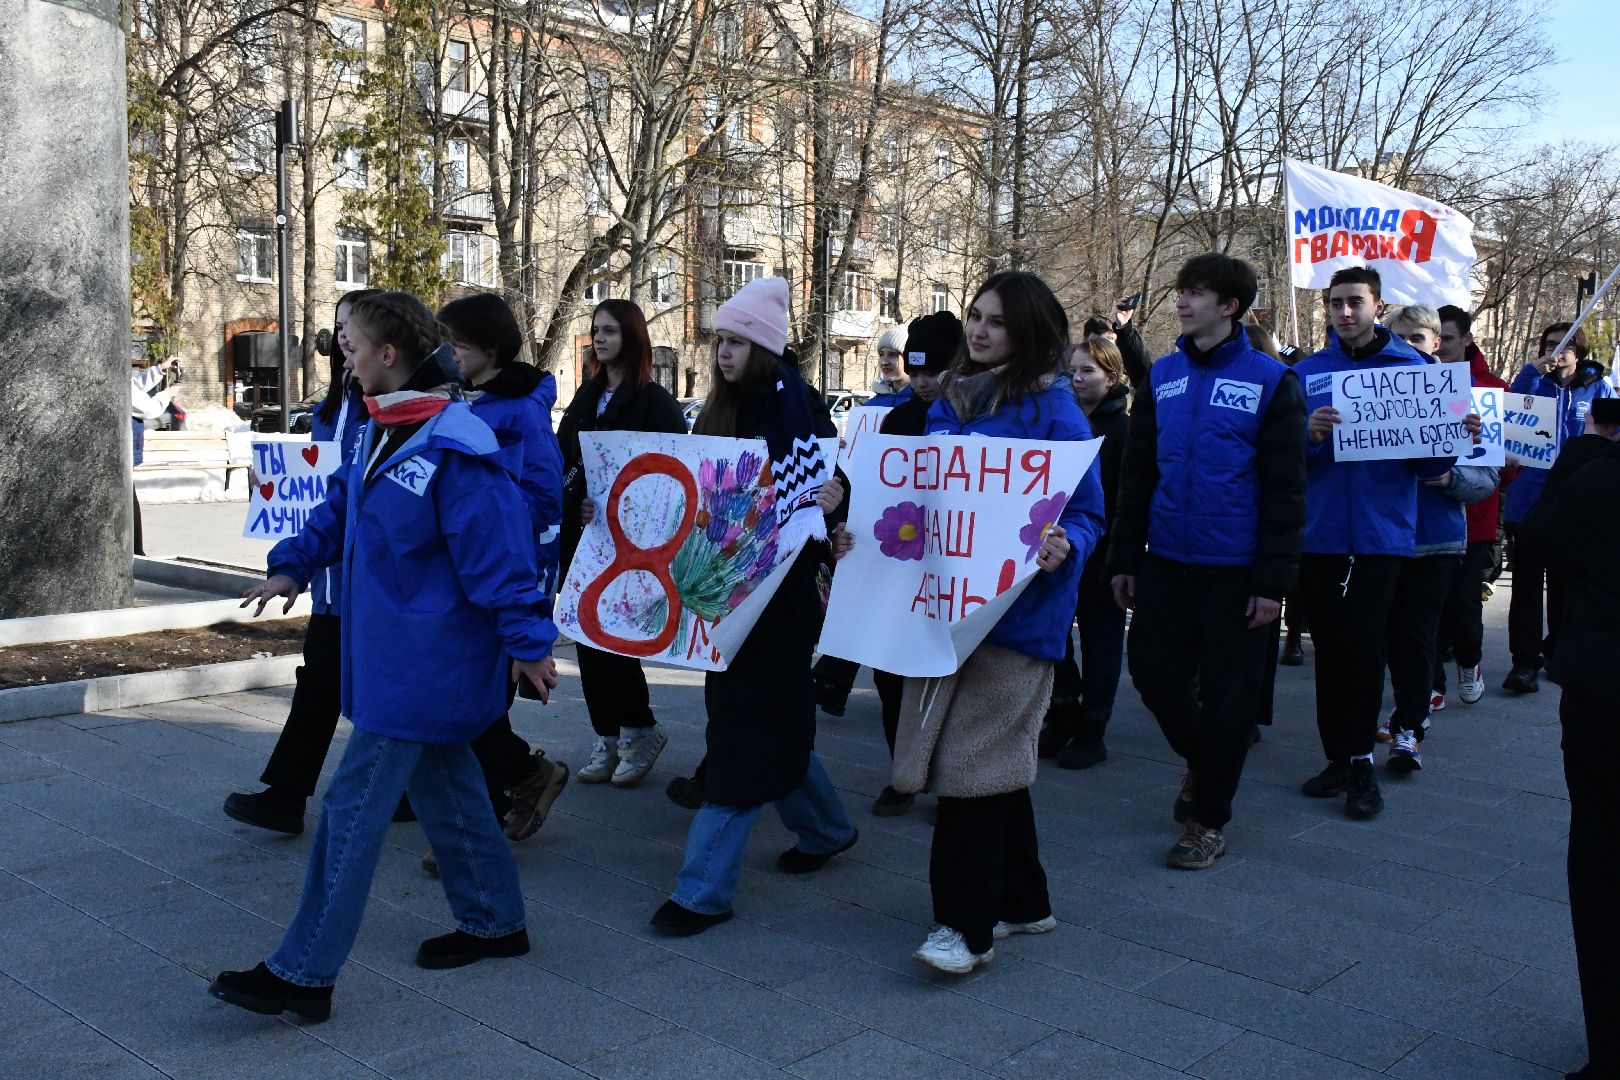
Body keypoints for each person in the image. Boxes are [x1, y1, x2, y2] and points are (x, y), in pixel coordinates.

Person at [208, 290, 559, 1020]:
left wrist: (527, 644)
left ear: (387, 354)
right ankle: (495, 921)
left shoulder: (454, 445)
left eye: (349, 341)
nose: (341, 353)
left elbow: (499, 555)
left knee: (349, 812)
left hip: (428, 665)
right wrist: (293, 563)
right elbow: (340, 506)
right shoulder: (382, 429)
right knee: (449, 789)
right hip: (396, 658)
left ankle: (303, 973)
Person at [843, 270, 1105, 974]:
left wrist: (1066, 544)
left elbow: (1087, 513)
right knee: (990, 764)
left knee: (965, 770)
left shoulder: (1055, 409)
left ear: (1028, 330)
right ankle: (1023, 901)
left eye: (996, 320)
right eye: (976, 317)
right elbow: (916, 502)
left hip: (1018, 624)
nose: (981, 330)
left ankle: (964, 928)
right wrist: (857, 523)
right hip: (945, 617)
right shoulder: (944, 406)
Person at [649, 276, 858, 936]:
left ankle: (702, 891)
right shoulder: (717, 413)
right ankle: (825, 829)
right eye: (720, 340)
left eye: (738, 341)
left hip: (781, 605)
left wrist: (835, 503)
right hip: (727, 597)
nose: (724, 353)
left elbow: (838, 484)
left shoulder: (801, 411)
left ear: (763, 347)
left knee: (744, 732)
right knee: (771, 725)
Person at [1107, 253, 1306, 868]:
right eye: (1180, 291)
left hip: (1238, 571)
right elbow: (1137, 477)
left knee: (1229, 700)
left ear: (1230, 306)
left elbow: (1286, 490)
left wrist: (1273, 582)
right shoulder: (1161, 376)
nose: (1182, 302)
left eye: (1195, 293)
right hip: (1166, 558)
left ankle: (1207, 819)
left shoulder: (1272, 381)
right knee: (1151, 674)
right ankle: (1206, 761)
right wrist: (1125, 558)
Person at [1290, 267, 1465, 820]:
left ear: (1377, 305)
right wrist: (1309, 438)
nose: (1345, 313)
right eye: (1336, 303)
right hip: (1319, 537)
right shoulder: (1307, 373)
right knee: (1328, 651)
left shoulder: (1411, 368)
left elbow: (1428, 463)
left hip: (1383, 537)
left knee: (1364, 648)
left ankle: (1363, 762)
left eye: (1355, 302)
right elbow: (1283, 460)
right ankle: (1337, 757)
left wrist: (1458, 434)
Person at [223, 289, 376, 835]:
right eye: (338, 328)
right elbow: (335, 496)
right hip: (334, 582)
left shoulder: (398, 412)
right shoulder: (337, 401)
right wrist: (295, 557)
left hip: (379, 587)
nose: (342, 338)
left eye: (352, 329)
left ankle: (515, 769)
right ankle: (286, 796)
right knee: (320, 685)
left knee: (386, 697)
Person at [815, 311, 964, 816]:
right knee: (889, 673)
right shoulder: (897, 421)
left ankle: (946, 779)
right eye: (915, 371)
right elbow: (870, 489)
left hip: (950, 571)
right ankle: (904, 774)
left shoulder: (975, 419)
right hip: (899, 568)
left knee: (944, 678)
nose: (922, 383)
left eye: (932, 373)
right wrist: (839, 508)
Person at [436, 292, 570, 841]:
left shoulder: (520, 410)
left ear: (489, 346)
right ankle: (523, 777)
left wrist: (527, 593)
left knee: (481, 702)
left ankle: (487, 816)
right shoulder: (468, 401)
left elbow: (542, 498)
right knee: (474, 700)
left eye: (457, 343)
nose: (449, 353)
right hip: (471, 574)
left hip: (506, 573)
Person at [1519, 403, 1620, 1080]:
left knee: (1604, 864)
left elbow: (1539, 540)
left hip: (1605, 697)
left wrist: (1582, 456)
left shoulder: (1600, 477)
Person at [556, 299, 687, 787]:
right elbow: (566, 461)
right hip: (587, 538)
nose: (600, 338)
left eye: (609, 330)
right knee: (588, 636)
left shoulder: (654, 401)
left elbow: (673, 470)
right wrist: (579, 502)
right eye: (595, 330)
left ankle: (639, 728)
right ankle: (606, 734)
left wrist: (626, 509)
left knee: (617, 636)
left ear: (632, 336)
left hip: (634, 546)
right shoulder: (586, 398)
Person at [1377, 305, 1498, 773]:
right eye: (1400, 337)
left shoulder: (1466, 398)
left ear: (1438, 343)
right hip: (1379, 538)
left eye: (1420, 338)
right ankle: (1396, 713)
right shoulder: (1372, 394)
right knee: (1385, 636)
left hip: (1436, 541)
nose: (1410, 346)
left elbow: (1485, 481)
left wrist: (1449, 479)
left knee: (1419, 636)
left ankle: (1410, 727)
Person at [1500, 321, 1613, 694]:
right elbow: (1511, 415)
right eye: (1549, 344)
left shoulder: (1597, 387)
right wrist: (1531, 372)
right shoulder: (1536, 382)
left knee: (1565, 583)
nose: (1555, 350)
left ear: (1577, 352)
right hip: (1529, 498)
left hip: (1576, 499)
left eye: (1563, 345)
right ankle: (1524, 663)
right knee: (1527, 585)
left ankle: (1558, 651)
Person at [1039, 333, 1130, 769]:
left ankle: (1094, 727)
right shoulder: (1058, 421)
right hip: (1059, 548)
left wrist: (1125, 558)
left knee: (1101, 640)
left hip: (1105, 554)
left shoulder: (1125, 429)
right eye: (1072, 370)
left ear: (1110, 378)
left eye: (1087, 371)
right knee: (1057, 636)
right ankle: (1063, 711)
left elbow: (1130, 499)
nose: (1076, 378)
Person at [1432, 304, 1509, 706]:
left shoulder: (1494, 390)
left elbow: (1508, 467)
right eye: (1435, 337)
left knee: (1463, 607)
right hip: (1424, 518)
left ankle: (1469, 661)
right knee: (1425, 610)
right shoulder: (1414, 381)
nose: (1439, 346)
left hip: (1473, 521)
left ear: (1467, 339)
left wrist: (1507, 460)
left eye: (1447, 338)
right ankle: (1430, 688)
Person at [130, 355, 180, 557]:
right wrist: (167, 394)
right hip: (121, 449)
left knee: (128, 496)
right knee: (128, 499)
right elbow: (147, 408)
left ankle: (134, 547)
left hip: (124, 447)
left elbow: (134, 386)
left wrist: (160, 369)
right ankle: (134, 549)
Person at [867, 324, 913, 406]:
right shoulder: (870, 406)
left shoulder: (925, 403)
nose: (884, 362)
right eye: (881, 354)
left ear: (909, 358)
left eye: (892, 354)